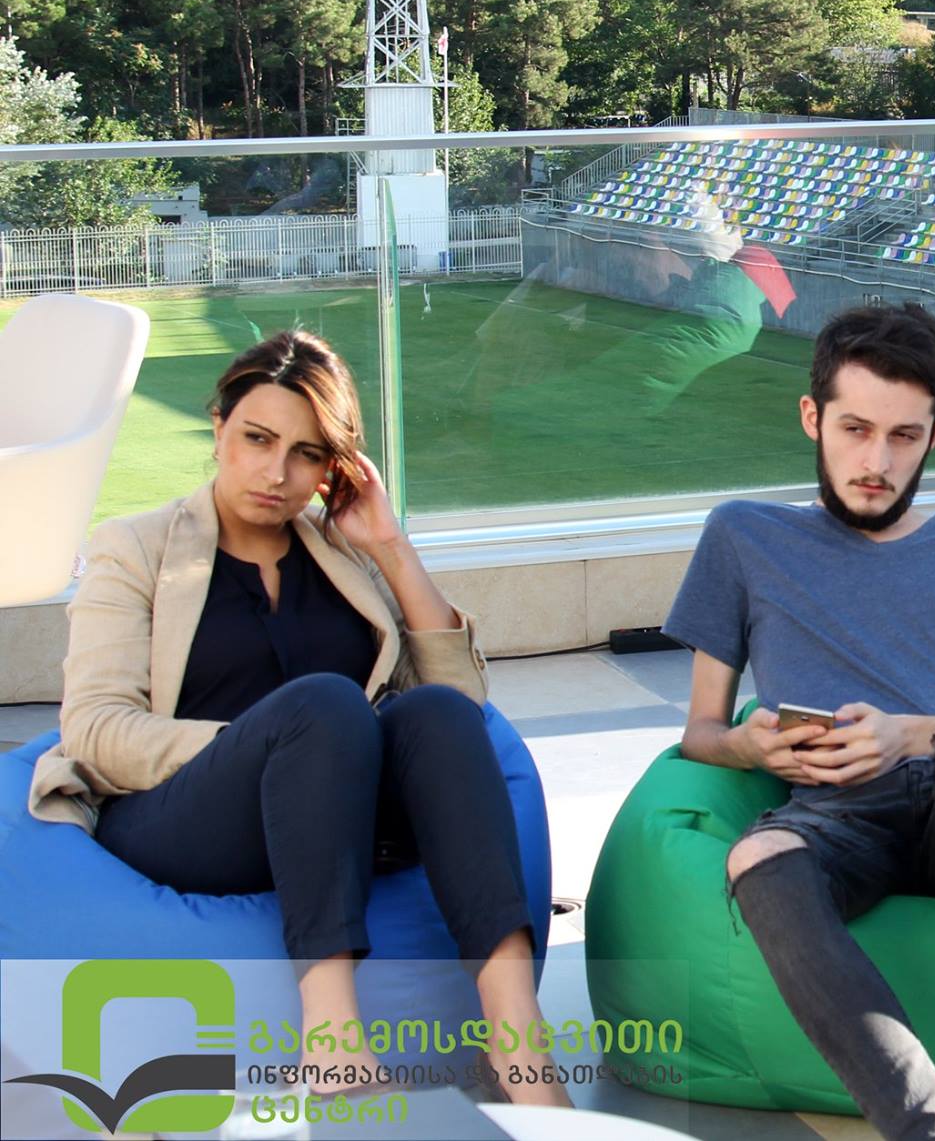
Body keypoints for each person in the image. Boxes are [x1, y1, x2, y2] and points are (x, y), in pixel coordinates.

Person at [26, 330, 568, 1105]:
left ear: (333, 468)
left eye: (307, 454)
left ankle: (518, 1045)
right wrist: (275, 750)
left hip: (337, 815)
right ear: (218, 426)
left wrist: (389, 545)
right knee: (325, 706)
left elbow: (465, 701)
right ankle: (333, 1047)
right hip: (183, 815)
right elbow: (98, 730)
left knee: (438, 713)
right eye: (257, 438)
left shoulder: (338, 554)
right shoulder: (134, 548)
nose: (277, 473)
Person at [668, 303, 935, 1141]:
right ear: (811, 416)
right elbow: (699, 732)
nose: (876, 462)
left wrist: (912, 733)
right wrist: (747, 742)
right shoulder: (743, 534)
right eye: (855, 429)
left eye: (903, 436)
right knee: (758, 853)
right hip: (839, 812)